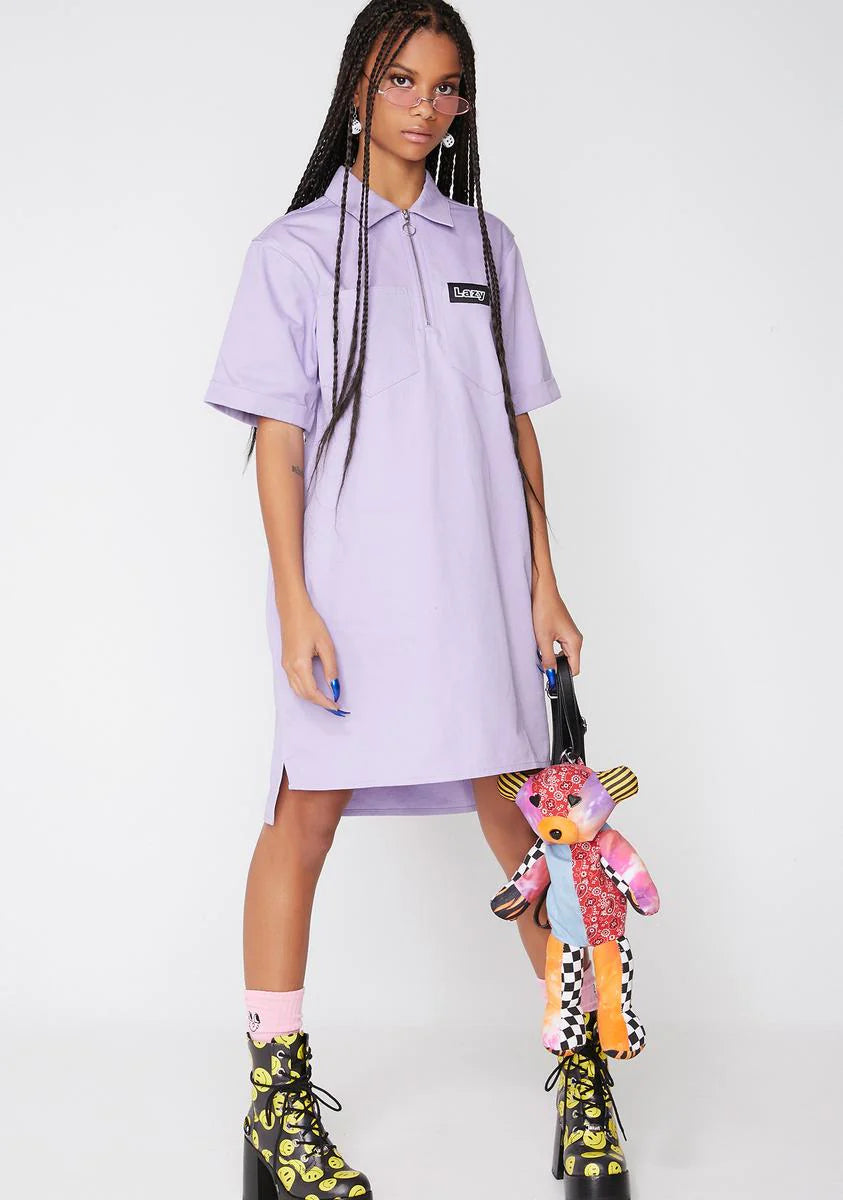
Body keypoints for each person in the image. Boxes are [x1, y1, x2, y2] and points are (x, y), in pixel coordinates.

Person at [202, 4, 623, 1198]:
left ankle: (584, 1074)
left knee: (532, 837)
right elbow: (278, 445)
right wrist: (296, 603)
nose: (425, 107)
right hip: (350, 599)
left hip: (477, 593)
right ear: (358, 87)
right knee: (303, 818)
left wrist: (545, 582)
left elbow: (517, 428)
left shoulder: (486, 245)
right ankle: (276, 1103)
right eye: (402, 80)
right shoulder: (291, 252)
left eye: (446, 87)